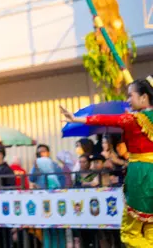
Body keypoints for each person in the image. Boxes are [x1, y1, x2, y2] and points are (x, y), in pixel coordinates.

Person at [61, 76, 153, 247]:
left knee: (130, 233)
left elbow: (105, 119)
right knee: (150, 227)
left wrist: (76, 119)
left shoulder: (133, 120)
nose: (127, 100)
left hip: (141, 174)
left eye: (130, 95)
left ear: (143, 97)